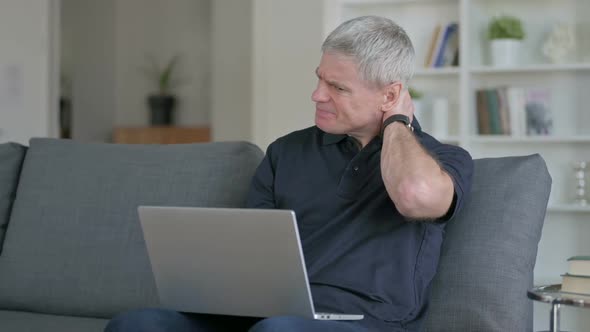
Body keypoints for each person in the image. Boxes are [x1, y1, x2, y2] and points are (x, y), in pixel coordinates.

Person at [105, 15, 473, 332]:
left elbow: (414, 195)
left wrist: (396, 122)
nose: (317, 95)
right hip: (268, 318)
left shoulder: (441, 160)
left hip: (364, 323)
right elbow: (250, 254)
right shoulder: (286, 151)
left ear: (390, 95)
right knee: (137, 323)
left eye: (337, 87)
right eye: (320, 79)